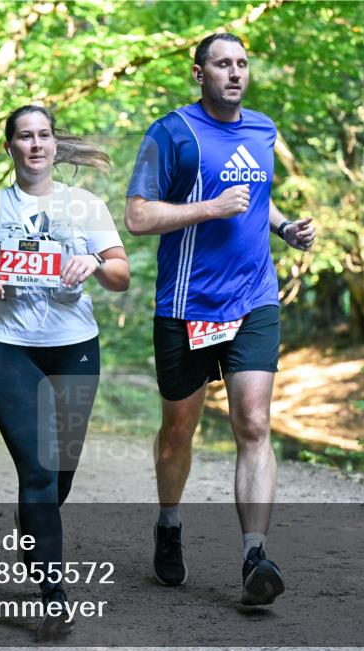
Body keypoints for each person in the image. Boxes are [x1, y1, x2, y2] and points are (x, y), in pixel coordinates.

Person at [124, 33, 317, 606]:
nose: (235, 73)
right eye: (222, 64)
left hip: (253, 298)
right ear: (199, 73)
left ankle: (255, 555)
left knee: (253, 424)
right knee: (177, 433)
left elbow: (257, 195)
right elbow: (137, 216)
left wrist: (284, 228)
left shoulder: (262, 129)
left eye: (242, 64)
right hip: (186, 306)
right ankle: (169, 521)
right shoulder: (171, 133)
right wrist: (209, 208)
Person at [0, 105, 129, 640]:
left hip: (74, 349)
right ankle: (53, 594)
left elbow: (121, 273)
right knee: (39, 469)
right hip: (9, 350)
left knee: (61, 471)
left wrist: (96, 264)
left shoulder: (86, 206)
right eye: (25, 136)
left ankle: (32, 523)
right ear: (11, 148)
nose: (36, 144)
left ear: (54, 145)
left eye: (44, 135)